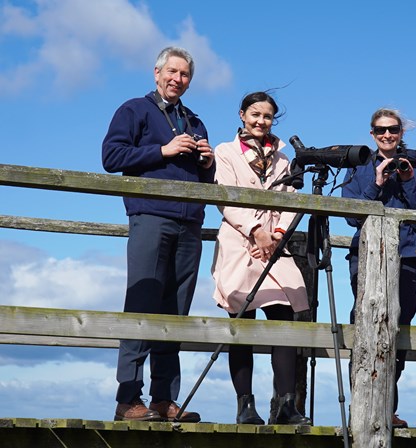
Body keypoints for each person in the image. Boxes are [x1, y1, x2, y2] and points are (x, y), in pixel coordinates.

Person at [102, 46, 214, 422]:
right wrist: (163, 150)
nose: (177, 79)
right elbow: (112, 157)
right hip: (151, 216)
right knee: (141, 305)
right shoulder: (134, 109)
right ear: (156, 73)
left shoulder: (195, 121)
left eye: (184, 75)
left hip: (189, 225)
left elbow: (207, 183)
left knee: (175, 313)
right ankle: (127, 399)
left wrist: (208, 163)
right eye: (172, 72)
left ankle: (163, 399)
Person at [211, 91, 312, 426]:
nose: (260, 121)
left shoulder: (282, 159)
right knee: (241, 320)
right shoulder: (225, 153)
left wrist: (277, 234)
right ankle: (245, 405)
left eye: (267, 116)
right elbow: (224, 196)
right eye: (255, 114)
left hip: (275, 245)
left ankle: (286, 404)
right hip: (240, 242)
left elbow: (290, 199)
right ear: (242, 115)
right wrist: (255, 231)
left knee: (283, 318)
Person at [341, 108, 416, 429]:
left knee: (398, 332)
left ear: (401, 133)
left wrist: (407, 181)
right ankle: (361, 406)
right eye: (380, 131)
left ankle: (387, 405)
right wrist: (377, 184)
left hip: (406, 257)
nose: (387, 136)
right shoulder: (357, 170)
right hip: (364, 259)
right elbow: (352, 217)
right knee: (364, 329)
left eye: (393, 130)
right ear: (372, 134)